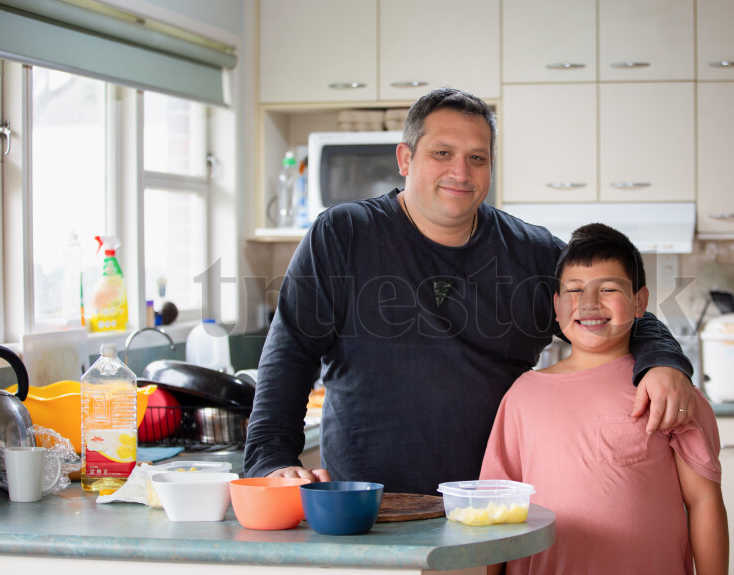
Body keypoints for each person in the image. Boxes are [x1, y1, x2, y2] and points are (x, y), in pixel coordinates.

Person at [244, 87, 696, 494]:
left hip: (496, 509)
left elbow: (613, 312)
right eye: (442, 153)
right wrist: (271, 459)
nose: (460, 172)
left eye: (477, 158)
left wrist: (663, 361)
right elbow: (290, 354)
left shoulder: (533, 252)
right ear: (405, 159)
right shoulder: (343, 234)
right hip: (368, 508)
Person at [480, 223, 728, 575]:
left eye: (608, 289)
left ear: (640, 302)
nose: (590, 303)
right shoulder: (522, 396)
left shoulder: (667, 390)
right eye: (574, 290)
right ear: (556, 305)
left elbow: (704, 501)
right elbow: (494, 509)